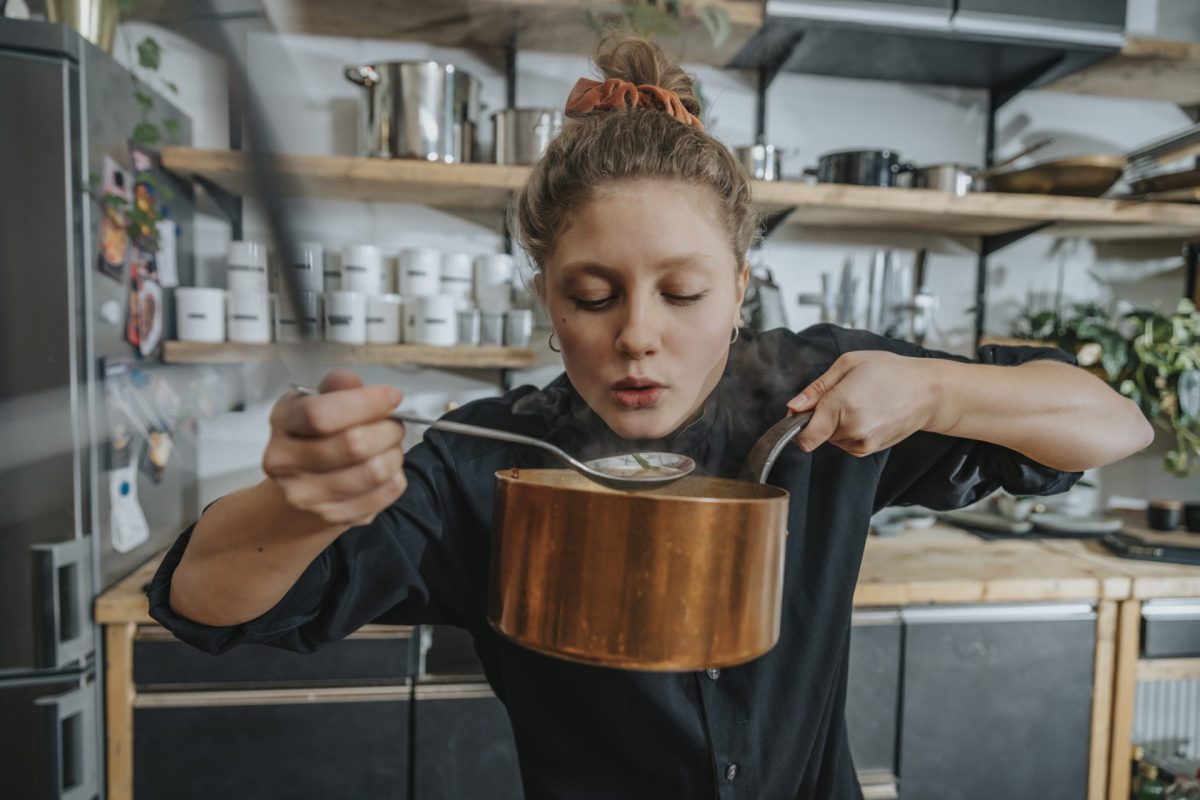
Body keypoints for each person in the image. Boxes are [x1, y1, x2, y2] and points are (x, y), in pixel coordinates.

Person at [148, 36, 1153, 799]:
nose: (639, 337)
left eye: (683, 293)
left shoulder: (820, 398)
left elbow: (1114, 426)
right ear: (547, 297)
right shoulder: (487, 459)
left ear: (741, 284)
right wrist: (304, 504)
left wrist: (936, 389)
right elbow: (203, 599)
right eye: (592, 295)